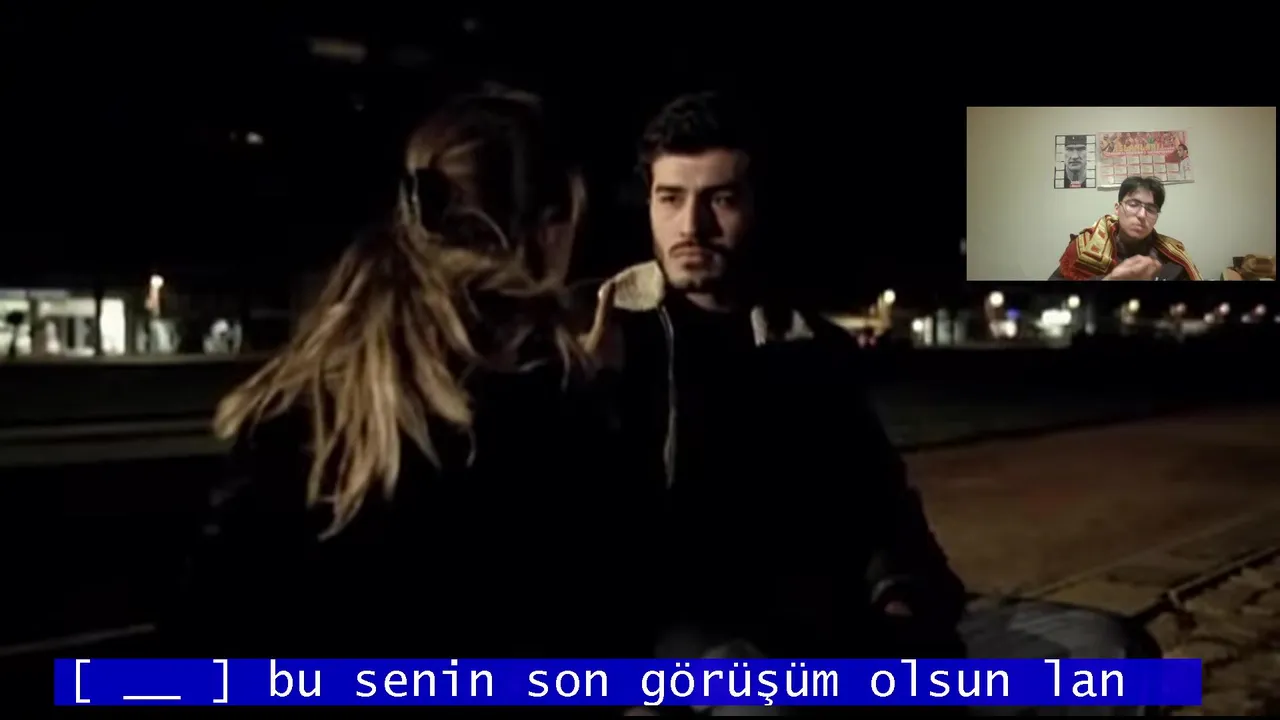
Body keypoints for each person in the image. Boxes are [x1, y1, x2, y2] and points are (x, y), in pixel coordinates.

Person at [585, 92, 1158, 716]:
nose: (691, 227)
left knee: (1112, 658)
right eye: (670, 199)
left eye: (719, 199)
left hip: (838, 632)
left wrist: (900, 604)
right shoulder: (607, 333)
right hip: (698, 644)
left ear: (757, 205)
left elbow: (881, 501)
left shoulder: (811, 344)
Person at [160, 89, 658, 666]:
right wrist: (601, 399)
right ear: (547, 232)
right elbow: (601, 636)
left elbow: (202, 621)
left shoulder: (310, 389)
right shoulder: (537, 407)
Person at [1050, 176, 1201, 280]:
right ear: (1117, 208)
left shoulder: (1172, 258)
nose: (1142, 215)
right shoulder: (1084, 247)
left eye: (1151, 209)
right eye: (1133, 204)